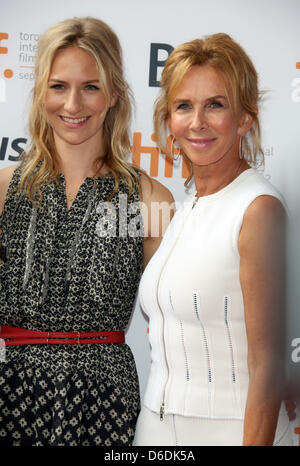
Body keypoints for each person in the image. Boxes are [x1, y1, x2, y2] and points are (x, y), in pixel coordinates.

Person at [0, 17, 173, 446]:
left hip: (105, 400)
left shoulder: (147, 200)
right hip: (13, 394)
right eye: (59, 86)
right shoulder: (5, 191)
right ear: (41, 91)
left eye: (91, 86)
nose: (73, 104)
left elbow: (178, 319)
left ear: (114, 93)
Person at [134, 33, 293, 446]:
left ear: (244, 119)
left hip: (231, 432)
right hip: (154, 428)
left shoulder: (258, 210)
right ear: (169, 120)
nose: (197, 122)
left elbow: (269, 365)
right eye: (184, 106)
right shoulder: (186, 210)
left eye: (215, 105)